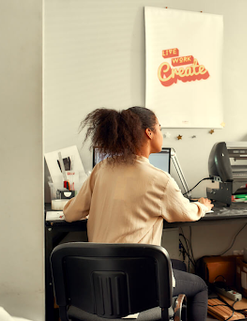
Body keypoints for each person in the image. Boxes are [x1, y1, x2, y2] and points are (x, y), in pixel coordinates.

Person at [63, 106, 213, 321]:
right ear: (149, 133)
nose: (161, 133)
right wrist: (203, 206)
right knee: (199, 286)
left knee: (176, 264)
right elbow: (187, 212)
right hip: (134, 287)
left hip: (97, 282)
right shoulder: (159, 179)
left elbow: (70, 214)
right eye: (160, 128)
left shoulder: (102, 168)